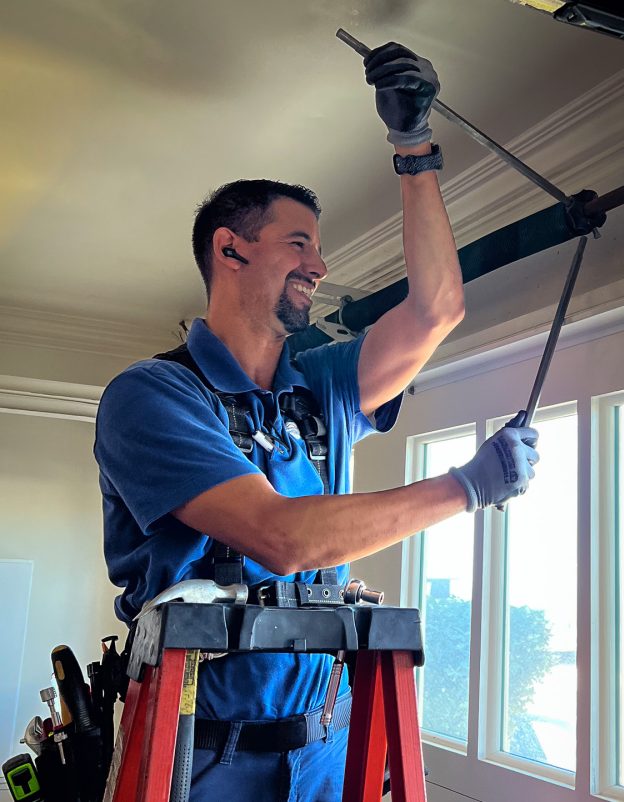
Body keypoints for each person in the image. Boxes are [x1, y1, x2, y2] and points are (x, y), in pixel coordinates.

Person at [94, 42, 539, 801]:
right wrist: (467, 486)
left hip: (327, 746)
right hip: (200, 760)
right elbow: (281, 537)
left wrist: (414, 147)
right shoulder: (152, 396)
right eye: (299, 243)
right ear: (229, 250)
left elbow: (438, 311)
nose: (321, 266)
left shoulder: (320, 387)